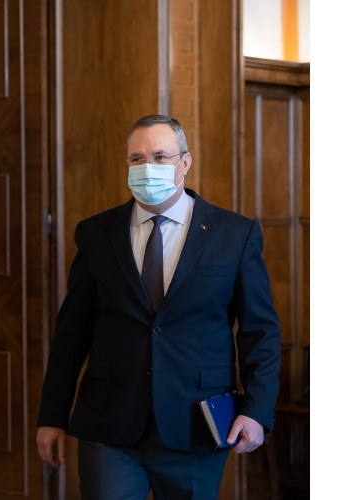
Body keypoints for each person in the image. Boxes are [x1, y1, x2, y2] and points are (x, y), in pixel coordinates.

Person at [36, 114, 281, 500]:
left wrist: (256, 410)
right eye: (137, 158)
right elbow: (72, 334)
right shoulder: (96, 233)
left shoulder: (235, 234)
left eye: (160, 157)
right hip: (109, 424)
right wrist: (52, 416)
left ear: (185, 162)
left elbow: (260, 331)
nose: (147, 167)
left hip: (196, 424)